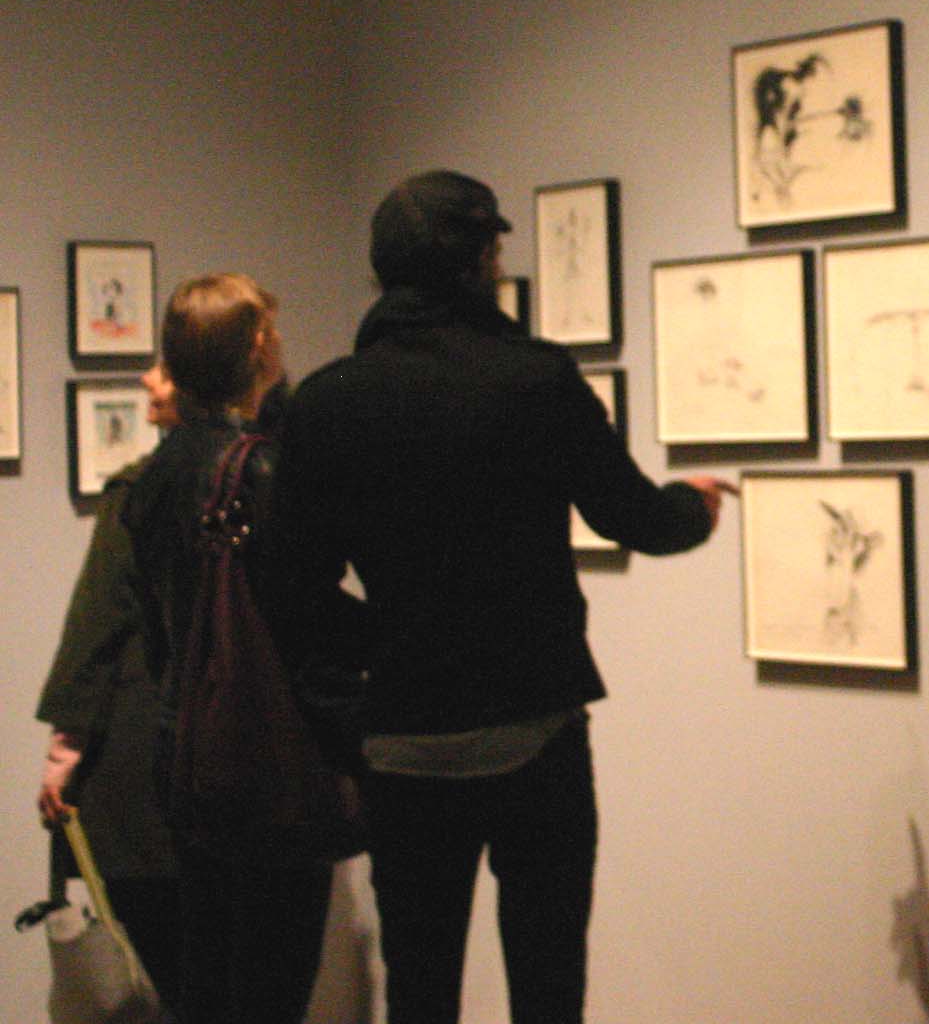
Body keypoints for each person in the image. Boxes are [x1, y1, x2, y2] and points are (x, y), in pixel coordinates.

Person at [272, 170, 734, 1024]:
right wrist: (692, 505)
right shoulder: (534, 379)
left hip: (406, 739)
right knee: (549, 983)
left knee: (421, 991)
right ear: (480, 259)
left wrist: (380, 650)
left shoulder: (329, 402)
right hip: (538, 727)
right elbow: (633, 516)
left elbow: (289, 586)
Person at [122, 272, 339, 1024]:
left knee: (210, 966)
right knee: (276, 976)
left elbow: (155, 622)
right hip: (266, 748)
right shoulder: (261, 471)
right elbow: (307, 612)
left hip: (183, 742)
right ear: (256, 347)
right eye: (271, 332)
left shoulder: (155, 473)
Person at [34, 358, 185, 1013]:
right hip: (253, 777)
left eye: (165, 367)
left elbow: (96, 632)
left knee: (156, 979)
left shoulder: (141, 493)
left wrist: (64, 754)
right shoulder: (275, 475)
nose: (148, 380)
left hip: (144, 773)